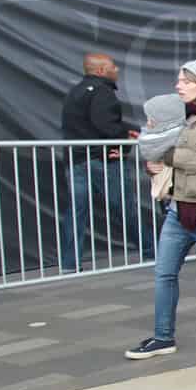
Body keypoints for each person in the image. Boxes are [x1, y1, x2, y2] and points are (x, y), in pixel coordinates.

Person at [125, 61, 196, 360]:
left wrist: (177, 157)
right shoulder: (177, 116)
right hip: (177, 210)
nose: (178, 85)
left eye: (186, 81)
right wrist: (156, 166)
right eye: (178, 80)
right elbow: (161, 153)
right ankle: (163, 337)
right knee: (164, 274)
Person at [59, 51, 140, 271]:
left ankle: (70, 263)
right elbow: (106, 125)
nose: (117, 69)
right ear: (102, 70)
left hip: (76, 159)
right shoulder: (103, 92)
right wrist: (124, 140)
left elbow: (81, 126)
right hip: (102, 159)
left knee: (76, 211)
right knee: (125, 207)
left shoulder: (75, 91)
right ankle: (153, 250)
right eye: (113, 66)